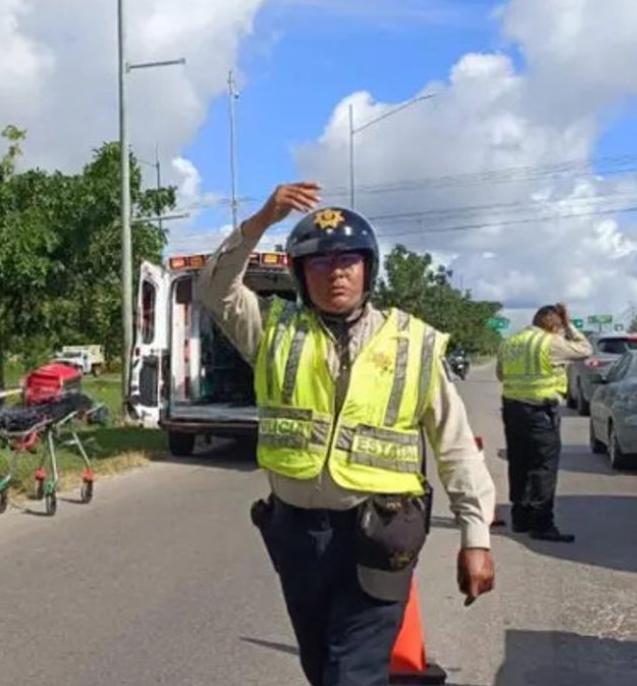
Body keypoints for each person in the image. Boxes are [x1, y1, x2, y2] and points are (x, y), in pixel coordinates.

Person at [197, 182, 497, 686]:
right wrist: (262, 220)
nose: (335, 274)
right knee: (322, 668)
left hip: (380, 533)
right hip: (298, 536)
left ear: (367, 268)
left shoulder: (412, 344)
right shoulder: (273, 331)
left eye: (347, 262)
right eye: (318, 263)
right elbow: (213, 288)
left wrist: (476, 537)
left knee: (351, 674)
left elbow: (456, 448)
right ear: (299, 273)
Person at [496, 304, 592, 542]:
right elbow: (585, 349)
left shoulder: (510, 342)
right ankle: (541, 524)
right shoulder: (549, 342)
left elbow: (501, 374)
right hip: (540, 412)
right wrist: (570, 325)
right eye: (558, 327)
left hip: (512, 409)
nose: (559, 331)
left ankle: (521, 518)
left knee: (519, 463)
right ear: (552, 324)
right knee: (543, 467)